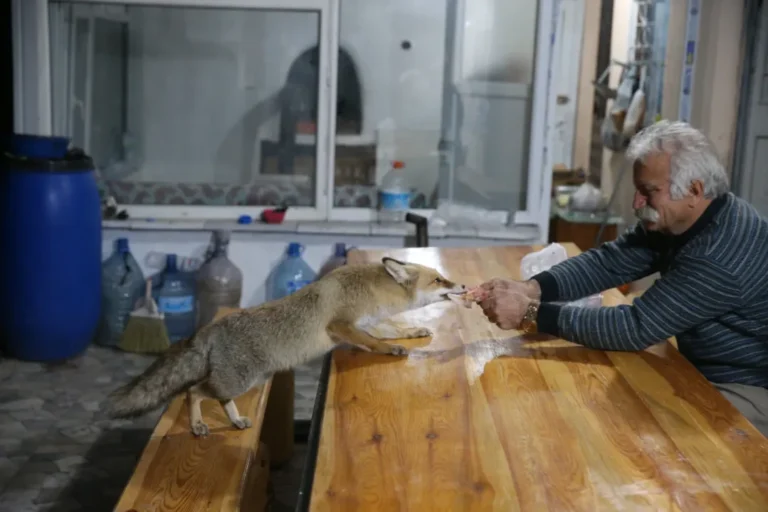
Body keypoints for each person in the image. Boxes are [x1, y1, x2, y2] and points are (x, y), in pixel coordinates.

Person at [477, 120, 768, 437]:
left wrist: (529, 312)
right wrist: (532, 288)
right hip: (705, 366)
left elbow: (634, 327)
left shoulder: (718, 255)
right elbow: (609, 263)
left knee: (648, 440)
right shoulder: (687, 219)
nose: (636, 203)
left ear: (694, 191)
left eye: (648, 192)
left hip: (746, 384)